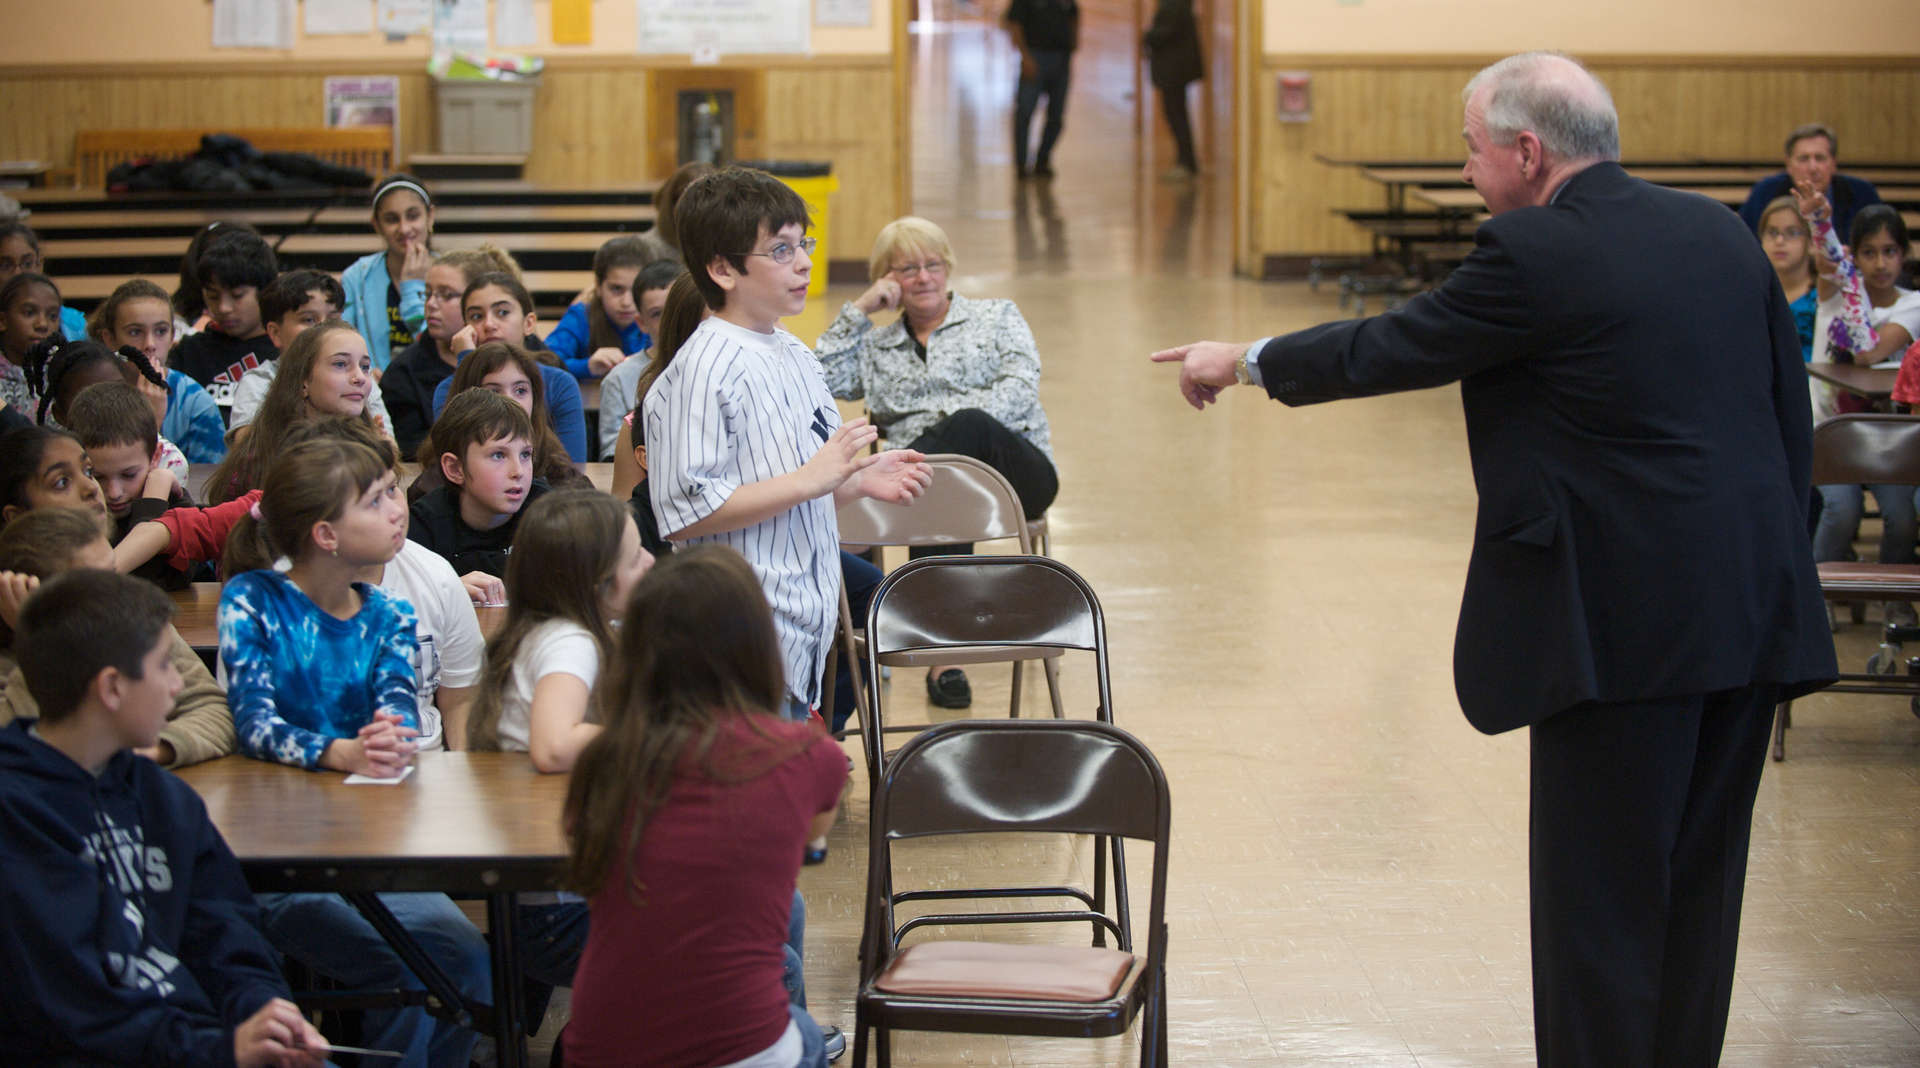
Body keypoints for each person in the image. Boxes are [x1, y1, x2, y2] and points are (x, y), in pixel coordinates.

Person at [1151, 51, 1836, 1066]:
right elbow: (1789, 416)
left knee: (1597, 906)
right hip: (1754, 608)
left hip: (1618, 629)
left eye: (1472, 152)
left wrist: (1241, 361)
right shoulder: (1719, 230)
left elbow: (1395, 345)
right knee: (1701, 890)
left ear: (1527, 150)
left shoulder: (1534, 252)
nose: (1468, 172)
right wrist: (1781, 560)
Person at [219, 435, 492, 1067]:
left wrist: (388, 737)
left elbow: (397, 712)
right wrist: (341, 751)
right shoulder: (253, 603)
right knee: (415, 967)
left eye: (392, 493)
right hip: (279, 852)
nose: (398, 509)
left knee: (463, 964)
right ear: (325, 535)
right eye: (374, 501)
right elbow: (255, 726)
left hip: (376, 844)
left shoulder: (390, 615)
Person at [0, 568, 328, 1066]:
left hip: (192, 1040)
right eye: (163, 667)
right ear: (111, 688)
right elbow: (69, 1008)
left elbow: (224, 929)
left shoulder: (163, 797)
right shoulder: (18, 811)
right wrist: (221, 1050)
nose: (179, 684)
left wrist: (264, 1011)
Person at [644, 165, 931, 726]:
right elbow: (685, 512)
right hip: (735, 637)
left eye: (804, 244)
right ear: (722, 269)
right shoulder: (702, 370)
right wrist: (813, 478)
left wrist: (850, 484)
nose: (803, 262)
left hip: (801, 629)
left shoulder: (793, 353)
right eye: (779, 250)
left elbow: (785, 496)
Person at [561, 545, 850, 1068]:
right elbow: (809, 838)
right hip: (741, 1043)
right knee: (802, 1030)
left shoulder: (604, 760)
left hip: (602, 1043)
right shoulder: (813, 758)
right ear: (760, 646)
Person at [815, 214, 1057, 710]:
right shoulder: (878, 346)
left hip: (1013, 473)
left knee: (966, 427)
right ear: (888, 279)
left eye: (932, 265)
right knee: (934, 483)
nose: (923, 278)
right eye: (907, 269)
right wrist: (861, 310)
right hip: (923, 494)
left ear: (948, 269)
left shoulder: (997, 317)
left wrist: (936, 438)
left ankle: (897, 489)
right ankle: (942, 655)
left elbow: (1018, 390)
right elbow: (818, 376)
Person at [0, 507, 235, 767]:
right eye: (96, 585)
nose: (119, 593)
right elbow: (21, 752)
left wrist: (152, 751)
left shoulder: (136, 621)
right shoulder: (14, 663)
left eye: (114, 573)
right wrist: (37, 646)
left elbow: (214, 710)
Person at [468, 488, 651, 771]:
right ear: (598, 586)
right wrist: (653, 735)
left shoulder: (555, 629)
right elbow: (555, 747)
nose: (650, 560)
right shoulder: (569, 641)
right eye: (636, 557)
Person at [203, 319, 384, 504]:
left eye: (364, 367)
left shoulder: (370, 449)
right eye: (340, 364)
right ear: (303, 381)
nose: (360, 378)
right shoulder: (261, 457)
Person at [428, 270, 591, 461]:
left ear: (528, 324)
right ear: (466, 329)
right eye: (476, 317)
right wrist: (468, 361)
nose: (488, 324)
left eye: (502, 312)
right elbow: (459, 463)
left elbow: (573, 469)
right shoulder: (447, 388)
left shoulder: (559, 383)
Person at [410, 387, 550, 605]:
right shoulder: (424, 526)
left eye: (525, 454)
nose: (519, 471)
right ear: (455, 468)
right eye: (498, 455)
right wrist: (447, 591)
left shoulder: (548, 513)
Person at [380, 244, 521, 457]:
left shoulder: (531, 356)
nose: (430, 304)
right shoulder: (403, 373)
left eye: (446, 295)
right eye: (427, 294)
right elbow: (417, 458)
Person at [229, 269, 392, 438]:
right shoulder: (259, 381)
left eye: (333, 320)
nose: (325, 328)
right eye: (308, 320)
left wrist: (380, 442)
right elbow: (247, 449)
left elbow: (390, 448)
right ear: (276, 333)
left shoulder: (361, 380)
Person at [88, 278, 228, 464]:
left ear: (172, 337)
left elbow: (205, 484)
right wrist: (149, 421)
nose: (150, 344)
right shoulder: (93, 395)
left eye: (161, 331)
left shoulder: (195, 401)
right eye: (135, 332)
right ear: (110, 339)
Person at [170, 228, 281, 404]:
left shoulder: (286, 351)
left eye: (237, 295)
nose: (223, 308)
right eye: (213, 296)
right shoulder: (188, 352)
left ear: (265, 291)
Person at [341, 173, 433, 372]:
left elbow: (443, 346)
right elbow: (340, 343)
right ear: (377, 225)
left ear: (430, 217)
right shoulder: (357, 277)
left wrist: (412, 288)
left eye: (413, 216)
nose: (404, 228)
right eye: (392, 219)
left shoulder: (452, 274)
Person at [595, 258, 684, 459]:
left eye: (675, 310)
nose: (670, 321)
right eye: (657, 314)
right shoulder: (619, 379)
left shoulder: (715, 365)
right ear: (641, 322)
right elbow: (612, 455)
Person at [546, 235, 666, 380]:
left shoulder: (658, 317)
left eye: (635, 289)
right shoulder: (581, 316)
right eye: (616, 289)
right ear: (598, 286)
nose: (626, 302)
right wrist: (587, 366)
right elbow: (545, 364)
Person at [1739, 123, 1882, 242]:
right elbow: (1745, 243)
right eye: (1803, 159)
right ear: (1788, 165)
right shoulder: (1764, 193)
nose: (1813, 168)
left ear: (1833, 164)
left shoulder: (1863, 194)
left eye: (1820, 158)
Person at [1005, 0, 1079, 179]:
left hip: (1061, 58)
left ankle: (1042, 161)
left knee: (1056, 116)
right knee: (1025, 112)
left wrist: (1074, 43)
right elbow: (1014, 23)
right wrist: (1025, 56)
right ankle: (1021, 165)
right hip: (1035, 56)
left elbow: (1073, 16)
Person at [1142, 0, 1202, 180]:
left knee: (1176, 114)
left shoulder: (1176, 3)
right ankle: (1185, 160)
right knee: (1176, 114)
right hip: (1175, 67)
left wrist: (1147, 36)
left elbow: (1167, 31)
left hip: (1175, 68)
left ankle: (1186, 162)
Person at [0, 218, 88, 341]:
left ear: (39, 264)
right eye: (5, 265)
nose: (18, 273)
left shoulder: (72, 325)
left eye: (27, 263)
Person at [0, 271, 61, 415]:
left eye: (52, 316)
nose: (42, 324)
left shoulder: (64, 374)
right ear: (2, 321)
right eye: (29, 313)